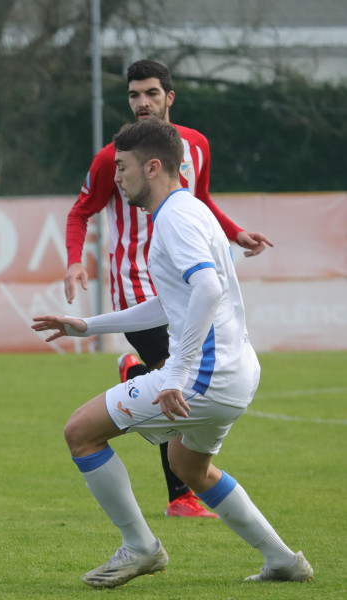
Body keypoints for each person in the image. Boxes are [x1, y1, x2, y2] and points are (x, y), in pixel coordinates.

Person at [33, 117, 313, 588]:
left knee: (80, 432)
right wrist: (87, 325)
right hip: (237, 371)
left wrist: (177, 374)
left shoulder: (176, 218)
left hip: (204, 375)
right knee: (188, 466)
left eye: (122, 167)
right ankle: (283, 561)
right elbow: (170, 302)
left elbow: (206, 287)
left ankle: (142, 548)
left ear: (154, 166)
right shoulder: (190, 210)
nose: (115, 177)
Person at [63, 59, 274, 518]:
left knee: (173, 381)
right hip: (135, 285)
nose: (142, 103)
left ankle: (138, 383)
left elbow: (201, 203)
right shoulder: (110, 157)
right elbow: (80, 211)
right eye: (134, 95)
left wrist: (236, 233)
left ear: (169, 98)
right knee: (173, 378)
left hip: (180, 282)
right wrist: (75, 261)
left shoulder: (195, 146)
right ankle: (180, 494)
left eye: (151, 94)